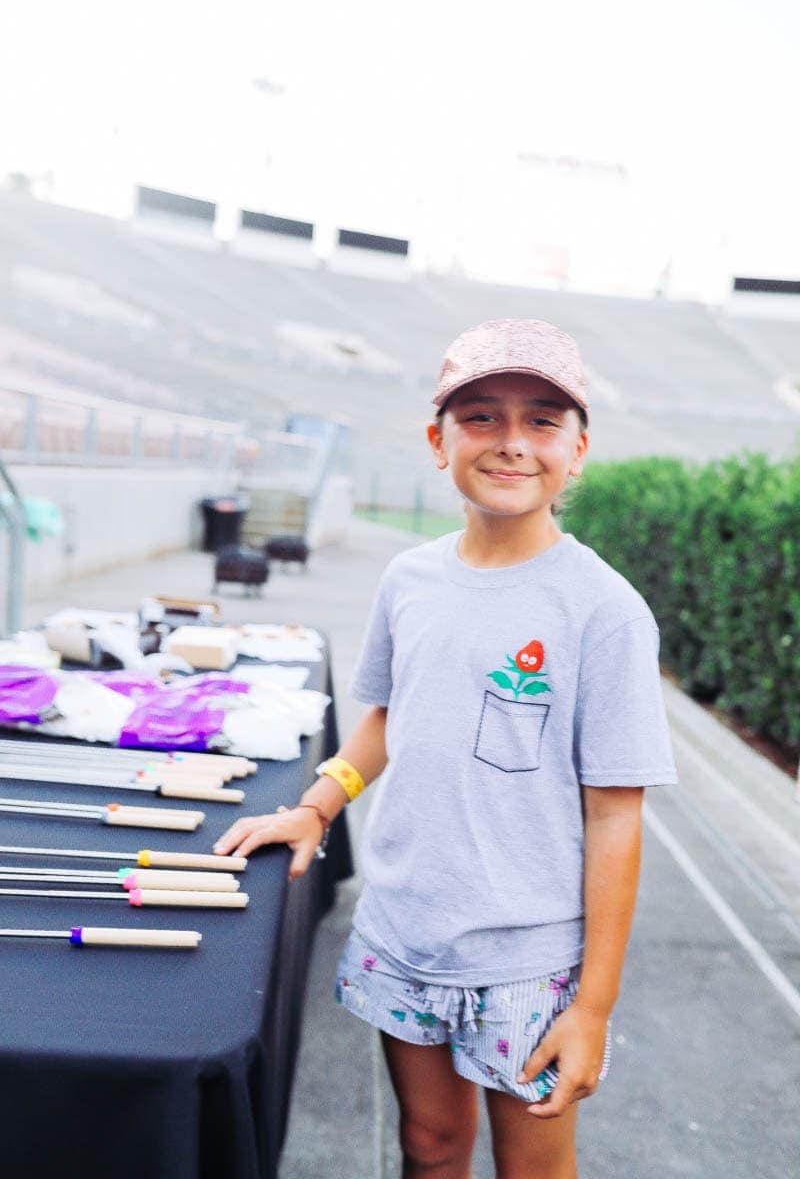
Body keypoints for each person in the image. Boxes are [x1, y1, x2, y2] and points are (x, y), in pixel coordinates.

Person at [214, 319, 678, 1179]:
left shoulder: (602, 611)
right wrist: (318, 802)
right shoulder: (411, 580)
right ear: (439, 441)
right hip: (403, 932)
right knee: (428, 1148)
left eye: (543, 420)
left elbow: (616, 817)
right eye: (481, 417)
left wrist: (595, 1006)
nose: (511, 442)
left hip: (527, 963)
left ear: (578, 450)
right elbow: (394, 718)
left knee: (530, 1169)